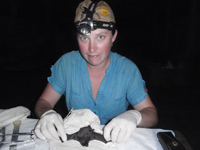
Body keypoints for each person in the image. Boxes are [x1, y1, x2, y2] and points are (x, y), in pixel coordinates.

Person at [34, 0, 158, 144]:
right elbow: (43, 102)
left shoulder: (128, 70)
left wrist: (135, 116)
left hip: (115, 141)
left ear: (113, 36)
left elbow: (151, 113)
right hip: (76, 141)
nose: (92, 48)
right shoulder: (66, 64)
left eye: (100, 37)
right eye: (84, 38)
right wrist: (47, 113)